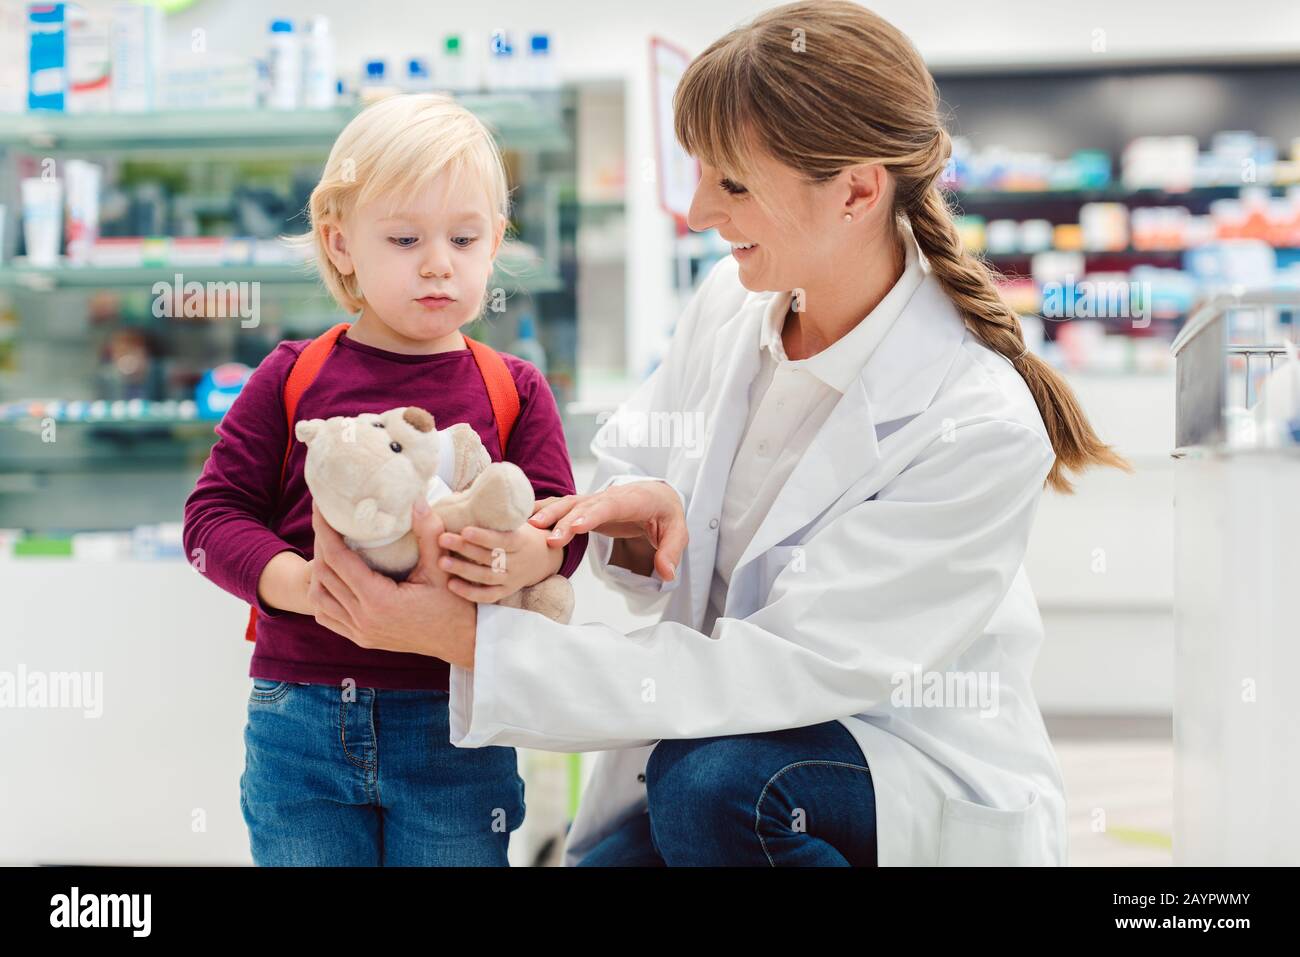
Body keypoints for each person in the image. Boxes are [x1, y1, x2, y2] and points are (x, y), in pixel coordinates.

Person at [307, 0, 1131, 866]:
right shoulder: (732, 304)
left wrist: (468, 640)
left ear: (856, 189)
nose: (699, 209)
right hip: (703, 752)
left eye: (733, 184)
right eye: (699, 172)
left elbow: (781, 668)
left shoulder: (977, 422)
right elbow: (640, 473)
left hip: (877, 761)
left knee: (718, 788)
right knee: (677, 802)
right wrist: (628, 521)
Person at [182, 93, 587, 866]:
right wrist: (299, 584)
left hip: (457, 722)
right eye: (405, 237)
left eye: (465, 238)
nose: (439, 261)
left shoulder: (515, 388)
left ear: (495, 243)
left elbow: (563, 525)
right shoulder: (291, 377)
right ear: (340, 243)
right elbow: (211, 519)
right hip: (298, 719)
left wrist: (535, 554)